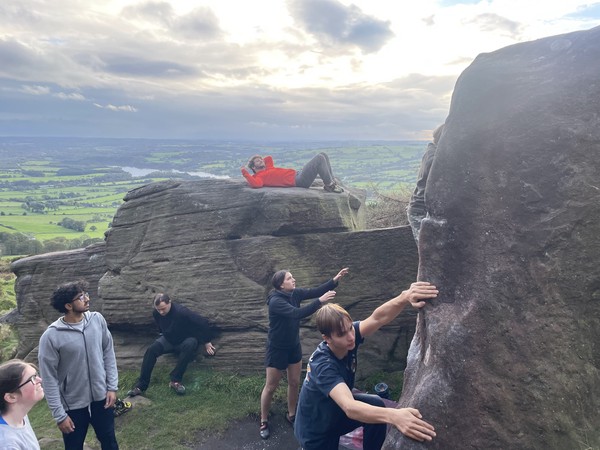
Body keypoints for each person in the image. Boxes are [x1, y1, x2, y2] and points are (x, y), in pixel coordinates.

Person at [294, 281, 439, 450]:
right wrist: (395, 416)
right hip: (317, 429)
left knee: (376, 404)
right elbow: (350, 407)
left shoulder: (349, 338)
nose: (351, 337)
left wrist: (404, 297)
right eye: (342, 334)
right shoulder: (323, 365)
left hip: (335, 411)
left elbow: (377, 318)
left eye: (350, 328)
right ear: (327, 338)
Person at [259, 267, 349, 440]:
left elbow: (315, 291)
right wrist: (320, 302)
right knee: (271, 386)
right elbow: (296, 314)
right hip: (277, 349)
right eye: (289, 278)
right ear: (281, 285)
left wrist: (334, 280)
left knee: (294, 382)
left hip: (293, 346)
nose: (293, 279)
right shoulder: (275, 301)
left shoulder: (295, 293)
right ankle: (263, 420)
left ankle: (292, 414)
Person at [38, 280, 119, 450]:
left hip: (102, 399)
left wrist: (112, 387)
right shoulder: (51, 336)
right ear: (68, 305)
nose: (87, 299)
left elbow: (108, 353)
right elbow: (49, 378)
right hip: (72, 406)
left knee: (110, 443)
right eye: (81, 297)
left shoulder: (97, 320)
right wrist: (59, 415)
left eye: (86, 294)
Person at [127, 293, 217, 397]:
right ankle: (140, 386)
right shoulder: (156, 313)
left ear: (170, 302)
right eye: (158, 309)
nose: (161, 312)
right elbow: (161, 328)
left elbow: (203, 322)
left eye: (163, 308)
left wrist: (206, 341)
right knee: (151, 350)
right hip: (168, 340)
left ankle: (175, 381)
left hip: (186, 339)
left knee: (190, 344)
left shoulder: (181, 312)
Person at [407, 124, 445, 243]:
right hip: (420, 210)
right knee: (426, 246)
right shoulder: (433, 158)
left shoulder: (432, 152)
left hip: (423, 209)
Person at [241, 153, 344, 193]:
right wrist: (245, 173)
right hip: (299, 181)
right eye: (258, 161)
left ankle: (332, 182)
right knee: (319, 158)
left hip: (298, 174)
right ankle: (329, 185)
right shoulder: (259, 177)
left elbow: (269, 158)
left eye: (261, 159)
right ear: (253, 167)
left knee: (323, 155)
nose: (261, 160)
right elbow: (256, 184)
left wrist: (259, 160)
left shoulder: (268, 167)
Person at [0, 359, 44, 450]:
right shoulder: (8, 444)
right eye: (32, 379)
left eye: (36, 375)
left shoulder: (21, 417)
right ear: (11, 397)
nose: (40, 380)